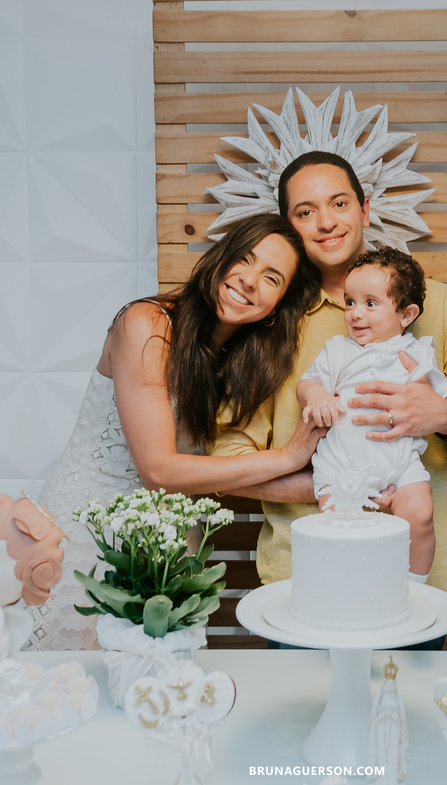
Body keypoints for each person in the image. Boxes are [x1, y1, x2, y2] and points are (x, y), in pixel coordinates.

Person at [211, 151, 447, 638]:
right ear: (289, 226)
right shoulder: (267, 319)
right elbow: (225, 460)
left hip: (418, 588)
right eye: (305, 212)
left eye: (339, 203)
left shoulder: (438, 306)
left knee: (408, 713)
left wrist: (445, 418)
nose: (326, 222)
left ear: (365, 210)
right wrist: (340, 489)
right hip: (302, 581)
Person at [31, 214, 324, 650]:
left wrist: (331, 486)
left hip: (168, 547)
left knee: (159, 696)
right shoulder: (146, 325)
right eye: (243, 259)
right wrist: (288, 457)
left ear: (277, 305)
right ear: (220, 258)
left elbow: (223, 472)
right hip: (88, 534)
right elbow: (159, 472)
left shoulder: (243, 365)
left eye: (271, 277)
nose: (248, 280)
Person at [298, 248, 447, 580]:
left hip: (400, 463)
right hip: (342, 464)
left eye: (370, 303)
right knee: (337, 532)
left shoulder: (417, 353)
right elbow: (307, 382)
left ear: (406, 314)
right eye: (350, 302)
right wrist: (315, 395)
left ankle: (414, 584)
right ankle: (344, 586)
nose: (356, 313)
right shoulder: (338, 351)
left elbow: (442, 389)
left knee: (421, 515)